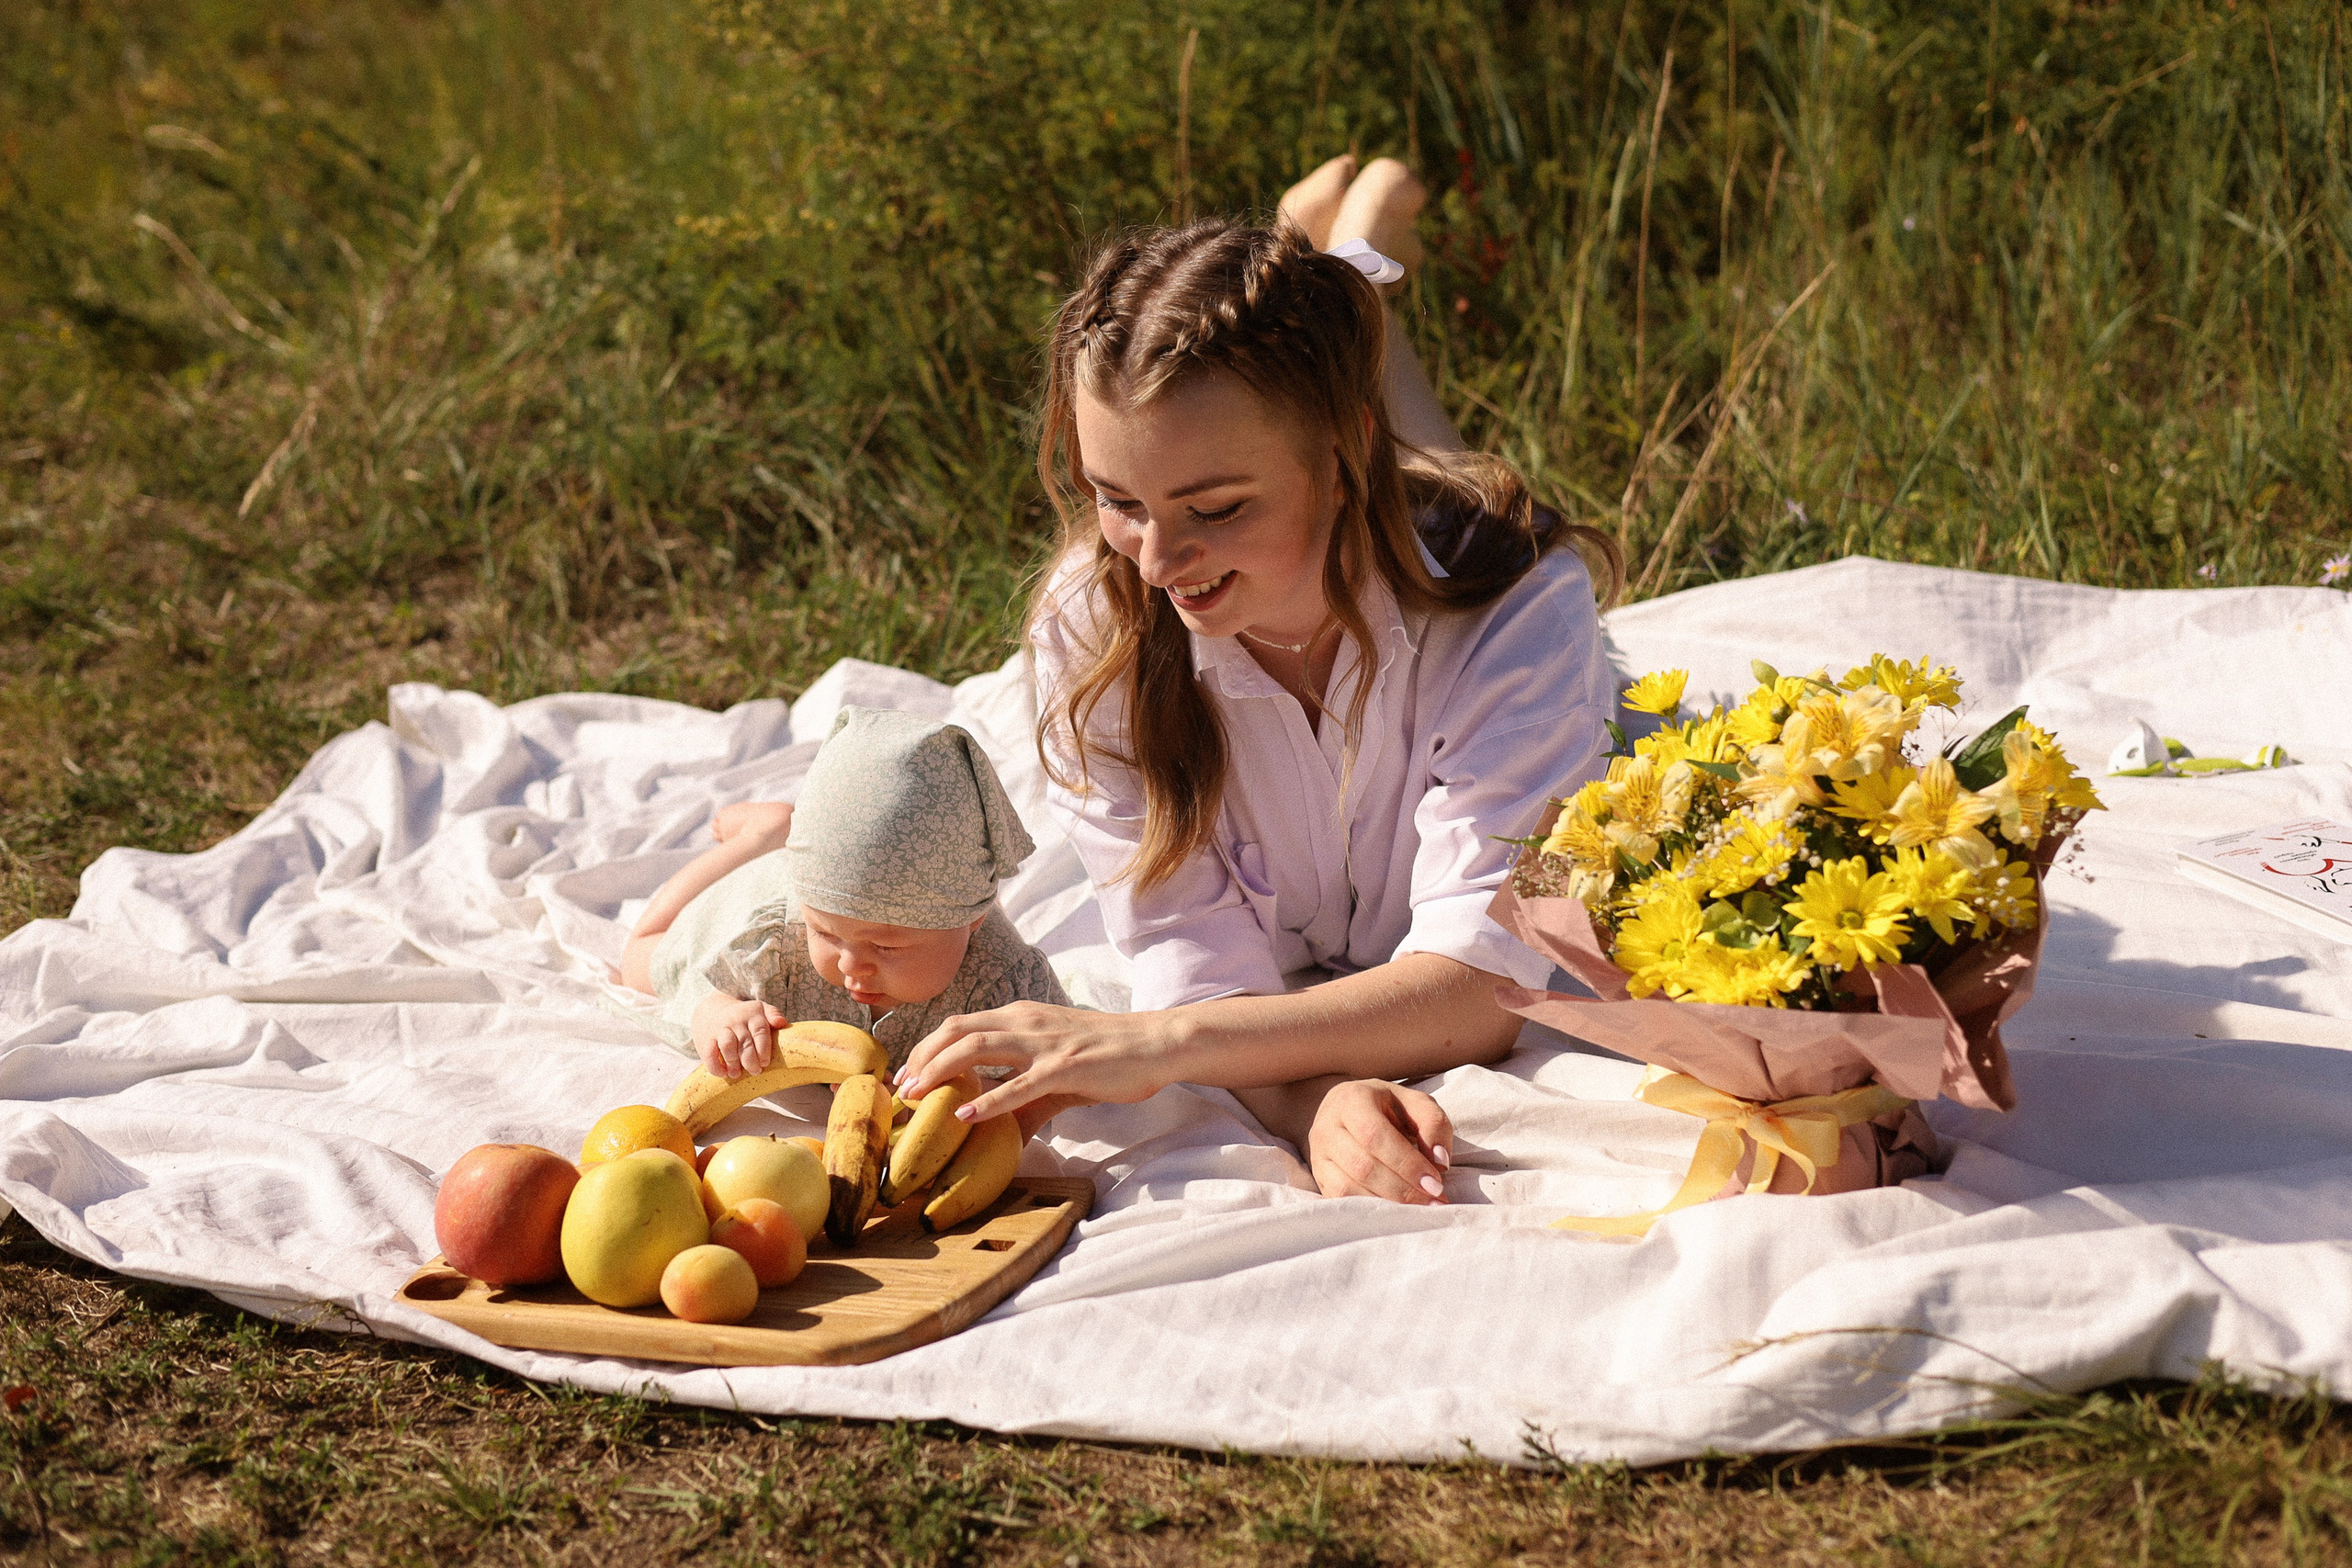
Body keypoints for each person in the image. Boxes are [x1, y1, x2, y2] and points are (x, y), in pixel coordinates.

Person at [893, 155, 1623, 1206]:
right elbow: (1192, 947)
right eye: (1117, 498)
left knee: (1459, 493)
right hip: (1353, 492)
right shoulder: (1093, 627)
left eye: (1215, 508)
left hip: (1451, 568)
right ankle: (1337, 265)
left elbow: (1485, 982)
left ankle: (1358, 264)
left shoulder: (1524, 608)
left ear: (1337, 458)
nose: (1152, 562)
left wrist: (1156, 1044)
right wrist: (1315, 1100)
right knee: (1385, 465)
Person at [618, 706, 1069, 1078]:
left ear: (972, 917)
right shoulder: (780, 950)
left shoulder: (1003, 981)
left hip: (864, 891)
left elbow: (1061, 1047)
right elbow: (702, 987)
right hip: (757, 894)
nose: (852, 963)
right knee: (638, 960)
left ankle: (781, 837)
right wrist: (713, 1012)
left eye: (886, 944)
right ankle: (763, 837)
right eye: (829, 936)